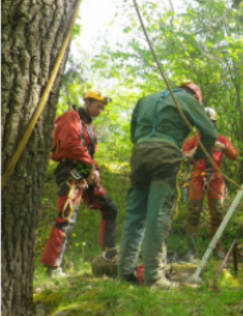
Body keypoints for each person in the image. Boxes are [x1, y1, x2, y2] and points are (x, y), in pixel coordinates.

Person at [118, 82, 218, 289]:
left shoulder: (146, 99)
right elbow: (210, 134)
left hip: (140, 153)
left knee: (135, 213)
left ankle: (124, 274)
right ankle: (154, 278)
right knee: (158, 214)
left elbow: (134, 134)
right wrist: (197, 156)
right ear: (196, 97)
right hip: (165, 155)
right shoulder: (188, 101)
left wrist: (149, 141)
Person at [41, 90, 117, 277]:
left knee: (109, 208)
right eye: (97, 106)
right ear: (87, 102)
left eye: (102, 108)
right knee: (66, 218)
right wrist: (91, 166)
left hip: (83, 173)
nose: (100, 110)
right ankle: (52, 267)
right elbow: (69, 145)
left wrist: (94, 169)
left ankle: (108, 258)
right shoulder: (72, 116)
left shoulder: (88, 126)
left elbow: (87, 154)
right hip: (70, 173)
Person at [182, 107, 238, 262]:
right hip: (197, 179)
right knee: (193, 213)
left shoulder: (222, 139)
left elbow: (234, 156)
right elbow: (182, 155)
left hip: (216, 179)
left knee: (218, 214)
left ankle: (217, 249)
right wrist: (193, 152)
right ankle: (192, 251)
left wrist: (224, 148)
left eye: (211, 122)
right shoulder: (193, 139)